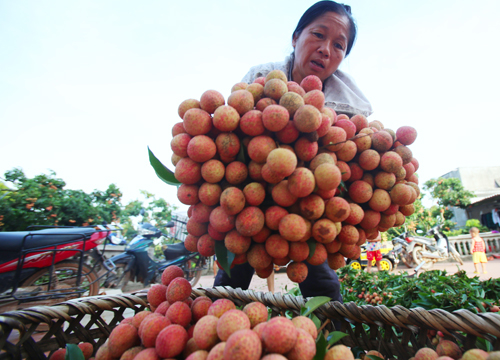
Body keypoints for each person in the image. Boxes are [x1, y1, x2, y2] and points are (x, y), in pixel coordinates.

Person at [214, 1, 373, 303]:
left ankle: (334, 339)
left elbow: (354, 167)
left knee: (323, 287)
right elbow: (229, 135)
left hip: (312, 209)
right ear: (295, 37)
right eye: (318, 35)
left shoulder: (351, 105)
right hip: (250, 195)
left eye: (339, 45)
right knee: (229, 282)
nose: (326, 49)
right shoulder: (262, 77)